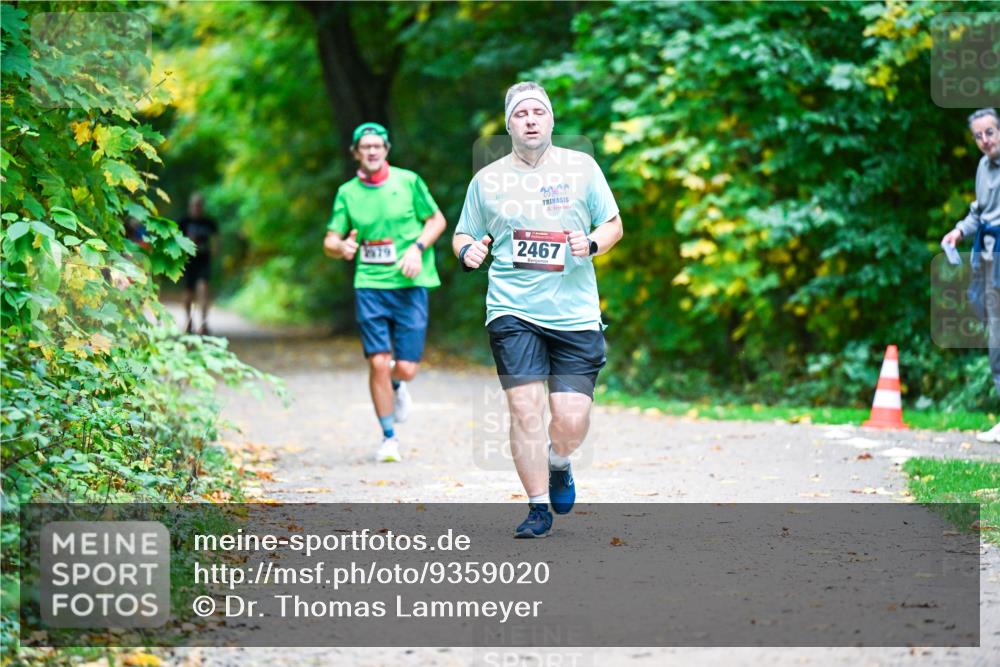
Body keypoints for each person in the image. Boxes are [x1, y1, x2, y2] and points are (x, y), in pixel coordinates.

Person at [453, 81, 623, 537]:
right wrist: (467, 251)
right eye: (521, 113)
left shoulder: (582, 168)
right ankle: (536, 508)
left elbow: (613, 224)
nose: (530, 119)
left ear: (551, 121)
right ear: (508, 124)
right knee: (525, 409)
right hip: (512, 309)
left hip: (574, 312)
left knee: (570, 419)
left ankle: (559, 461)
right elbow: (463, 234)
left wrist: (590, 243)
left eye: (538, 112)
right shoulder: (486, 181)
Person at [324, 122, 447, 462]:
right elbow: (331, 240)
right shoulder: (347, 193)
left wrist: (417, 249)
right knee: (378, 361)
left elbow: (437, 221)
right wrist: (342, 248)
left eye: (378, 145)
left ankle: (397, 385)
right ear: (356, 154)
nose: (373, 151)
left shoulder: (409, 182)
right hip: (370, 285)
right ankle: (388, 436)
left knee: (405, 368)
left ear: (386, 150)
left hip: (410, 284)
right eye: (366, 147)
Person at [941, 107, 1000, 442]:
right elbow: (979, 211)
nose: (984, 140)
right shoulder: (983, 167)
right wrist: (959, 232)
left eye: (989, 132)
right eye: (978, 135)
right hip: (989, 261)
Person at [178, 192, 219, 335]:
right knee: (188, 294)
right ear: (190, 206)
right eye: (194, 205)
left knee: (204, 289)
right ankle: (189, 322)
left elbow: (216, 239)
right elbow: (175, 241)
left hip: (203, 260)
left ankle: (203, 323)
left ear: (202, 206)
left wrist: (214, 251)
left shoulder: (209, 222)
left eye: (199, 205)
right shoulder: (183, 222)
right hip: (188, 261)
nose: (196, 208)